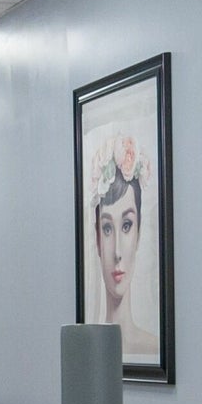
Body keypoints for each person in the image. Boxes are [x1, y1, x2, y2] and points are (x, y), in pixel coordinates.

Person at [87, 130, 149, 347]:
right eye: (106, 229)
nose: (117, 252)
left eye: (126, 226)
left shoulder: (153, 345)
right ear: (97, 239)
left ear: (139, 233)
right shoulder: (85, 350)